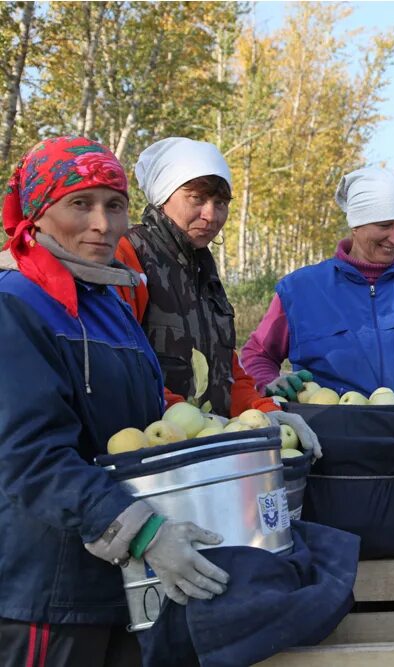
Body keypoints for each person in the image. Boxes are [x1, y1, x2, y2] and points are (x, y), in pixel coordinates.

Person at [0, 137, 228, 666]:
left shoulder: (108, 304)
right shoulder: (16, 305)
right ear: (37, 212)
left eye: (114, 205)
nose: (102, 224)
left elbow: (147, 423)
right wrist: (143, 529)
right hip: (46, 590)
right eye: (80, 204)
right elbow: (28, 457)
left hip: (118, 581)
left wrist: (223, 431)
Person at [115, 137, 316, 452]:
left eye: (221, 203)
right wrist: (186, 418)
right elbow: (120, 364)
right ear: (163, 195)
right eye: (197, 198)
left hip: (208, 450)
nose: (211, 215)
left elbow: (226, 369)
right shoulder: (128, 256)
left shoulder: (203, 271)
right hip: (150, 451)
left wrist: (264, 411)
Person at [240, 166, 394, 424]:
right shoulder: (301, 290)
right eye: (384, 225)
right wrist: (270, 383)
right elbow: (258, 354)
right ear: (356, 225)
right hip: (325, 449)